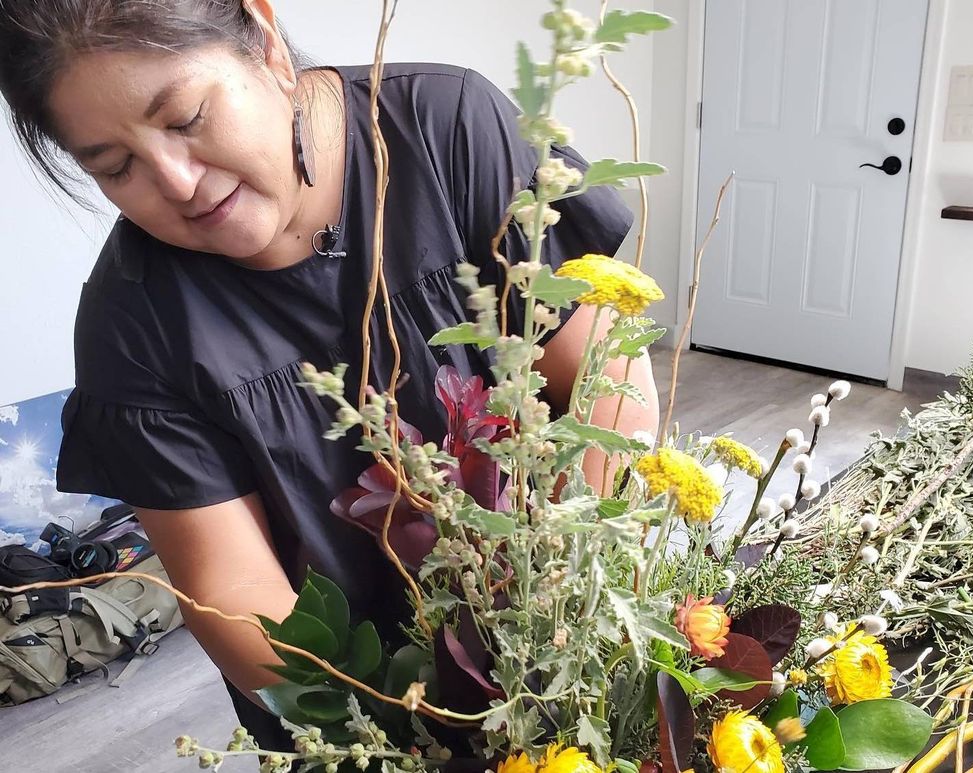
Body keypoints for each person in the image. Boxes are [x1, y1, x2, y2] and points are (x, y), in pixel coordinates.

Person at [0, 0, 660, 758]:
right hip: (361, 704)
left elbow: (604, 386)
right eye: (115, 167)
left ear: (264, 39)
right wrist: (391, 743)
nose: (176, 182)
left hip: (573, 635)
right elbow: (234, 592)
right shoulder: (135, 323)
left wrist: (576, 623)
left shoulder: (448, 129)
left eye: (185, 118)